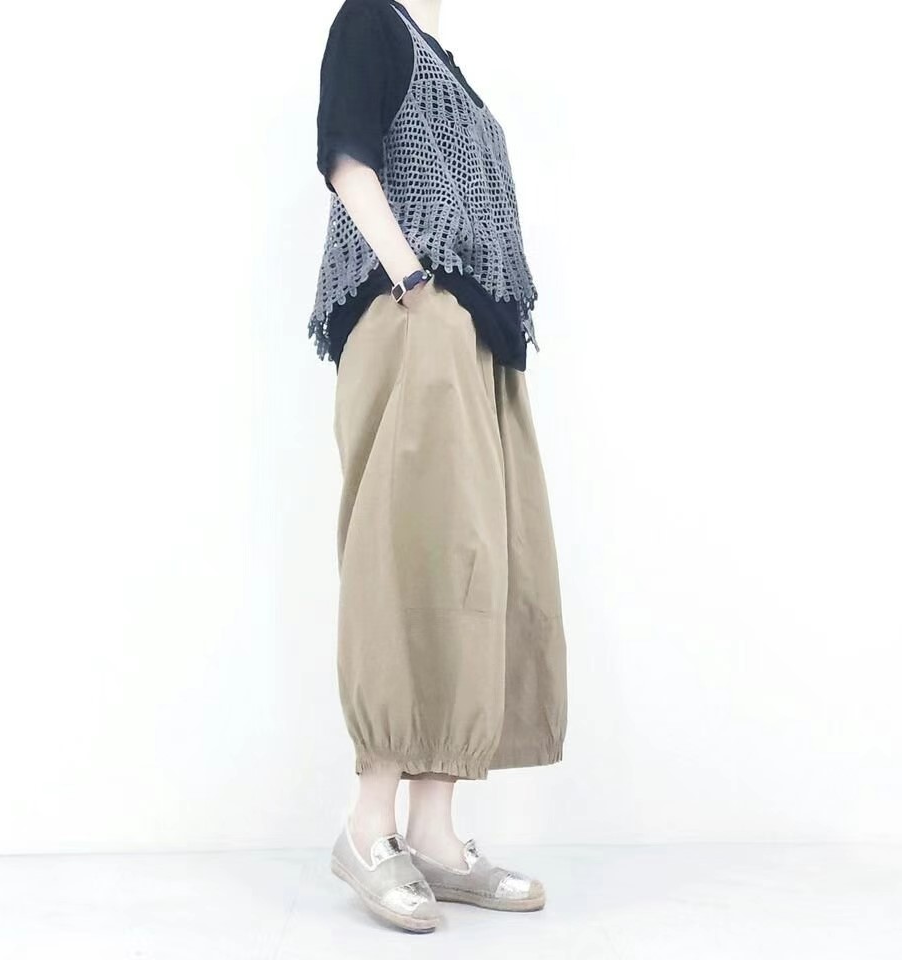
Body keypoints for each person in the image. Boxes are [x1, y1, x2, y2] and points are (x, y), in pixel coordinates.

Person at [309, 0, 568, 932]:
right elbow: (347, 158)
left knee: (472, 567)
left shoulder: (440, 55)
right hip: (415, 318)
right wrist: (414, 281)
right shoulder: (369, 20)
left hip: (475, 338)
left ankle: (434, 835)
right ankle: (368, 827)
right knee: (409, 557)